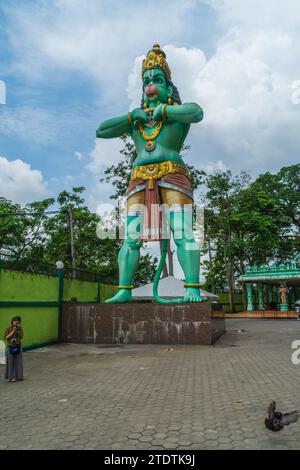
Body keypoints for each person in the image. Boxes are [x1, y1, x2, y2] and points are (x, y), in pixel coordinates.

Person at [4, 316, 24, 383]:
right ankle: (11, 377)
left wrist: (17, 330)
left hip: (18, 347)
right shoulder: (8, 329)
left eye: (17, 322)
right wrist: (13, 331)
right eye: (14, 321)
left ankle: (18, 377)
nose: (16, 323)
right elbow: (6, 338)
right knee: (10, 363)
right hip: (10, 347)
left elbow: (21, 336)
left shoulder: (20, 329)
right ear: (12, 322)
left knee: (18, 362)